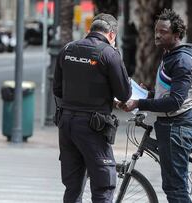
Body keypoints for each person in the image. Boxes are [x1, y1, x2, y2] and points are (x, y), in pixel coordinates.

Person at [120, 9, 192, 203]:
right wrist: (148, 94)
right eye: (156, 30)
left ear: (176, 34)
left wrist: (140, 103)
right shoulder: (170, 56)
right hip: (171, 127)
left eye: (163, 31)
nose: (157, 35)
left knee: (175, 189)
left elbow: (175, 101)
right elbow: (169, 95)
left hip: (178, 128)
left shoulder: (181, 61)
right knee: (173, 186)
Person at [53, 13, 131, 202]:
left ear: (90, 30)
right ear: (112, 34)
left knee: (73, 187)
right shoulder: (109, 54)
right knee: (103, 185)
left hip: (66, 124)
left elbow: (57, 89)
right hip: (93, 126)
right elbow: (124, 94)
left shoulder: (68, 49)